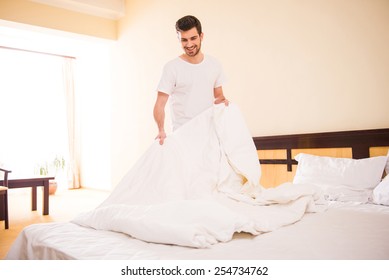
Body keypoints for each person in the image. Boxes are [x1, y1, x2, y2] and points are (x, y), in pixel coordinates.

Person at [153, 15, 229, 145]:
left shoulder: (214, 65)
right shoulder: (172, 68)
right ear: (179, 39)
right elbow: (160, 104)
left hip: (209, 137)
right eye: (184, 40)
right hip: (183, 137)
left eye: (193, 38)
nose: (189, 44)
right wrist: (161, 130)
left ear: (201, 36)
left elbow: (219, 97)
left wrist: (224, 103)